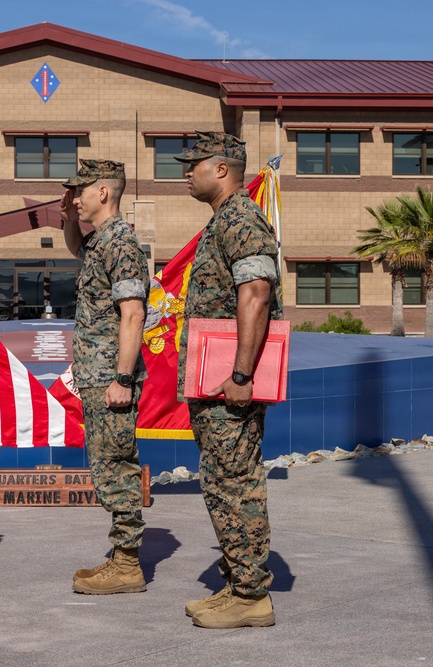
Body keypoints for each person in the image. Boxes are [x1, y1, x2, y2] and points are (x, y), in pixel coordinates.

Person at [174, 131, 283, 628]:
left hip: (229, 384)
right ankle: (238, 582)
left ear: (221, 169)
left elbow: (257, 292)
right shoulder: (224, 220)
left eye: (194, 164)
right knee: (222, 480)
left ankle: (251, 595)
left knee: (235, 481)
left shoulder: (240, 218)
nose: (186, 172)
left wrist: (241, 374)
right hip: (215, 381)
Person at [60, 159, 150, 595]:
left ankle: (129, 564)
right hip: (97, 376)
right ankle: (120, 555)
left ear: (104, 193)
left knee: (115, 466)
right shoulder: (100, 243)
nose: (75, 198)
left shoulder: (121, 243)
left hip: (112, 378)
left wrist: (123, 379)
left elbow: (133, 313)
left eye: (80, 191)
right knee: (105, 465)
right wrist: (66, 213)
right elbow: (75, 244)